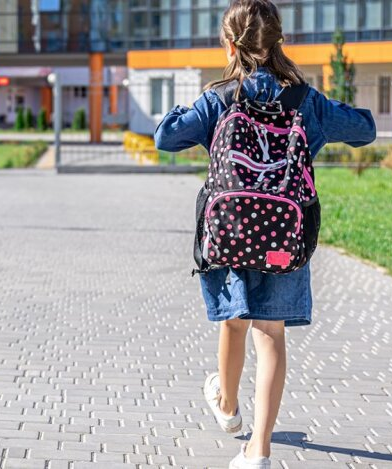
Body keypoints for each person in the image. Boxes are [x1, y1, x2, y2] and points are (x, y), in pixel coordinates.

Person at [154, 1, 377, 468]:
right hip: (284, 238)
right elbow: (365, 130)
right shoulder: (305, 101)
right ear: (279, 42)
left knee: (233, 319)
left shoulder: (220, 98)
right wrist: (332, 111)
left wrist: (198, 103)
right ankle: (258, 451)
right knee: (270, 333)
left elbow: (166, 137)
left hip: (232, 232)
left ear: (230, 44)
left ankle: (229, 409)